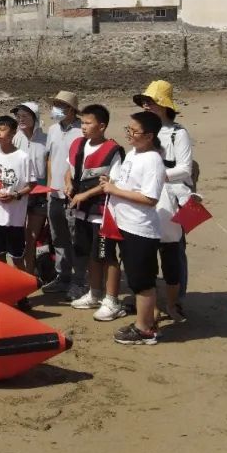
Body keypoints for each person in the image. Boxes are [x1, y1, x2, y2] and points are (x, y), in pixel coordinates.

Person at [100, 111, 166, 345]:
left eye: (134, 131)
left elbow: (150, 198)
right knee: (137, 279)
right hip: (124, 225)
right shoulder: (132, 154)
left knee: (142, 281)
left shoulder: (153, 160)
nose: (129, 134)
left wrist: (114, 191)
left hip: (141, 228)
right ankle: (145, 321)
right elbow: (127, 185)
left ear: (149, 136)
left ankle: (144, 329)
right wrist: (111, 184)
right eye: (128, 130)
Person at [133, 79, 195, 321]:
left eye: (152, 101)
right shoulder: (141, 131)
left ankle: (176, 301)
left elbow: (185, 169)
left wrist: (156, 176)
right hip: (146, 198)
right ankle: (153, 304)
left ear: (163, 104)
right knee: (146, 251)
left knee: (173, 251)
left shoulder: (178, 133)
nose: (147, 105)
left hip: (171, 197)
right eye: (145, 101)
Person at [65, 105, 126, 321]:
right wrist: (69, 185)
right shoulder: (77, 144)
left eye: (88, 123)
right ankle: (94, 293)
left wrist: (85, 195)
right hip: (82, 211)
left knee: (107, 255)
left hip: (102, 212)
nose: (83, 127)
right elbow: (69, 171)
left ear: (102, 126)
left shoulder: (113, 150)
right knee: (89, 253)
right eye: (82, 122)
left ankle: (112, 300)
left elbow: (112, 183)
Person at [42, 91, 86, 297]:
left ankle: (80, 281)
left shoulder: (82, 130)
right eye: (55, 104)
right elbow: (50, 158)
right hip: (54, 192)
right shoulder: (52, 129)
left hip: (74, 193)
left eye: (60, 105)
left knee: (76, 238)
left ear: (71, 109)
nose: (56, 108)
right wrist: (50, 186)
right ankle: (62, 276)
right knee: (58, 236)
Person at [0, 116, 34, 268]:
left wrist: (16, 195)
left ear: (13, 133)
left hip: (14, 217)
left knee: (17, 257)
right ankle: (3, 288)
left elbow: (32, 184)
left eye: (2, 130)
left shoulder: (23, 157)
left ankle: (21, 290)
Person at [11, 102, 49, 275]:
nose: (21, 119)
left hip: (40, 193)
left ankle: (30, 273)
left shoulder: (46, 139)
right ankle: (20, 272)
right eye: (18, 116)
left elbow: (50, 167)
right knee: (17, 234)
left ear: (35, 118)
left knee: (31, 237)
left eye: (25, 116)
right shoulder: (15, 138)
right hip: (20, 191)